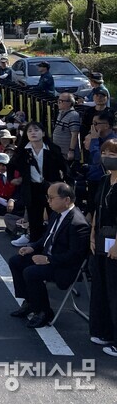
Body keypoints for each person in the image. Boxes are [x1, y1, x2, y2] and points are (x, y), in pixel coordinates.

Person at [7, 183, 90, 328]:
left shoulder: (77, 223)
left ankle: (44, 312)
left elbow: (75, 256)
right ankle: (30, 301)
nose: (48, 201)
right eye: (48, 197)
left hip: (63, 266)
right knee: (16, 261)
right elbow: (47, 237)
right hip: (50, 258)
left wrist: (47, 260)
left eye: (52, 198)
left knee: (31, 272)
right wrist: (32, 248)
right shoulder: (57, 214)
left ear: (66, 200)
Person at [10, 122, 67, 248]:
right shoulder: (22, 150)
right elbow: (11, 166)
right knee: (34, 218)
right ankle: (34, 244)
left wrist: (66, 184)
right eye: (29, 131)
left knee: (54, 216)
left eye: (36, 130)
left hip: (51, 187)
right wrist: (14, 179)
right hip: (32, 188)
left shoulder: (53, 149)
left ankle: (53, 244)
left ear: (43, 133)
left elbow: (64, 167)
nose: (33, 133)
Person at [89, 138, 117, 355]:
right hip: (100, 240)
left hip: (115, 242)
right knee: (101, 286)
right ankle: (103, 330)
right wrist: (92, 233)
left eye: (113, 155)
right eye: (106, 153)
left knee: (115, 289)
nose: (107, 157)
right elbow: (97, 209)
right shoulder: (104, 181)